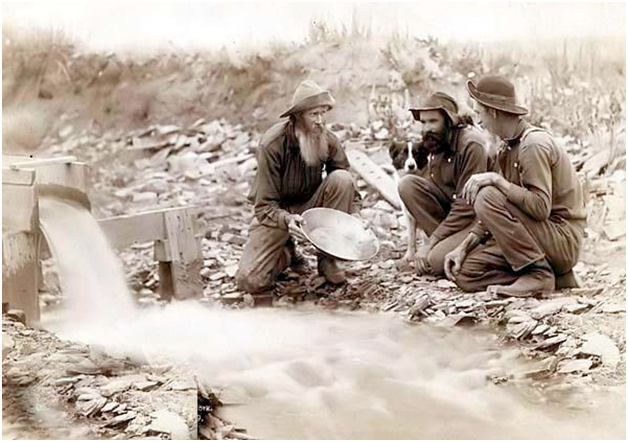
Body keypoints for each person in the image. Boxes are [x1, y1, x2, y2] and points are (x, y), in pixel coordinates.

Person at [444, 75, 586, 297]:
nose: (478, 120)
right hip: (538, 239)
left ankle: (538, 275)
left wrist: (496, 180)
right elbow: (500, 210)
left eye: (479, 112)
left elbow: (540, 208)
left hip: (561, 239)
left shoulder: (533, 145)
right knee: (466, 274)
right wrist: (464, 247)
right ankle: (556, 276)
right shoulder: (507, 147)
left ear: (493, 111)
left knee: (487, 194)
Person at [235, 80, 360, 295]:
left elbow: (346, 183)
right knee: (251, 281)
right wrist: (286, 220)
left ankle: (327, 260)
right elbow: (264, 205)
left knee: (341, 179)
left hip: (311, 207)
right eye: (313, 115)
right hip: (276, 214)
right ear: (297, 117)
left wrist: (356, 216)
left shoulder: (328, 139)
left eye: (323, 113)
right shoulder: (272, 144)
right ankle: (287, 253)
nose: (320, 121)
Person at [397, 92, 490, 275]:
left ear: (449, 121)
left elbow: (466, 206)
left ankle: (474, 251)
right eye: (423, 122)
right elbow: (435, 192)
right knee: (407, 185)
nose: (426, 128)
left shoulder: (471, 145)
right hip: (452, 217)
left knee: (436, 261)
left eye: (433, 121)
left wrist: (430, 244)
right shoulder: (436, 143)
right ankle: (443, 246)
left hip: (476, 221)